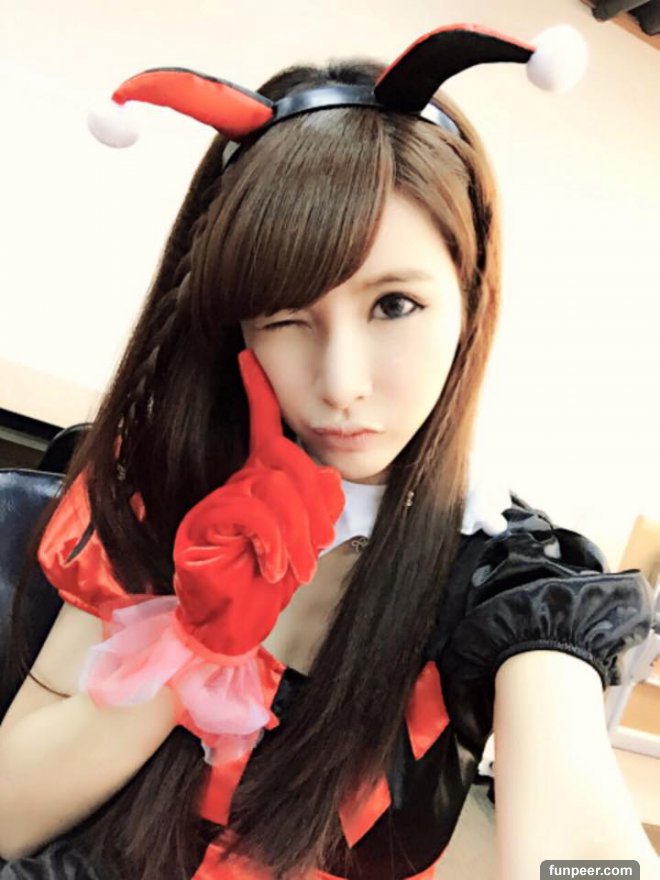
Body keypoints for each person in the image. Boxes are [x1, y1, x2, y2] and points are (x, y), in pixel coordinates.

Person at [0, 22, 656, 880]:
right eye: (286, 317)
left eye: (394, 306)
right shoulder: (152, 487)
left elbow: (585, 844)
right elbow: (9, 814)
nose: (342, 384)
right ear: (236, 327)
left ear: (469, 301)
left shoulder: (510, 579)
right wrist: (193, 641)